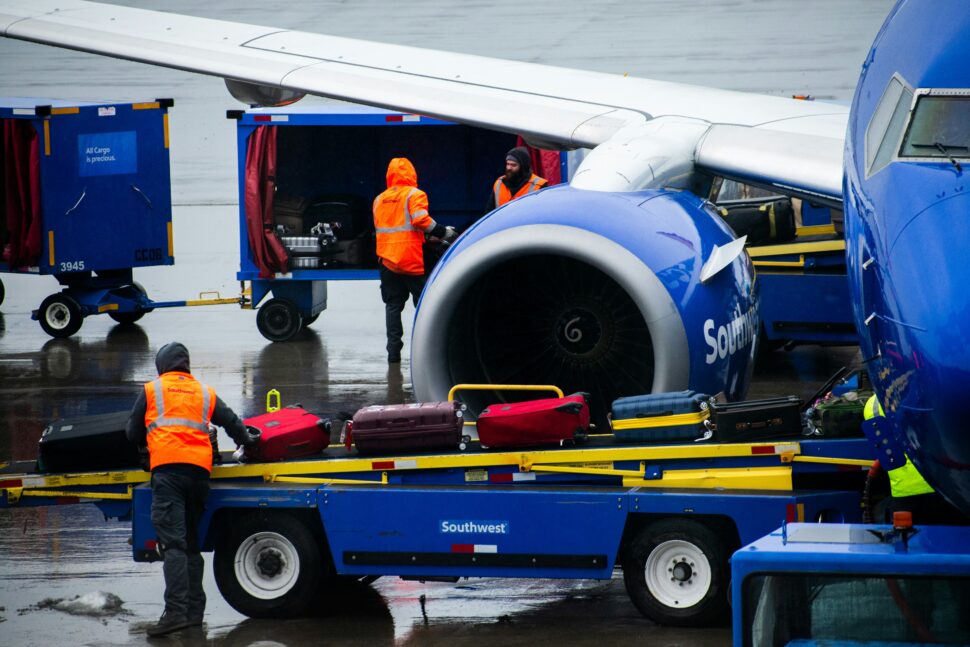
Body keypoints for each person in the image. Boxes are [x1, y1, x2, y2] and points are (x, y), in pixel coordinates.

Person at [126, 342, 257, 637]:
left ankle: (175, 614)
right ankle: (194, 614)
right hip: (199, 474)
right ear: (185, 364)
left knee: (173, 544)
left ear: (161, 364)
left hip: (168, 472)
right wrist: (248, 440)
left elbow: (132, 433)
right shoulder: (203, 391)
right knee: (190, 544)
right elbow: (232, 422)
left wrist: (147, 440)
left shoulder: (152, 390)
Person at [373, 157, 455, 363]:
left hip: (387, 261)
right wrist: (445, 233)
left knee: (393, 306)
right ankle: (426, 350)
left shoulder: (379, 199)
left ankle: (393, 353)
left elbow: (391, 229)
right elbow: (420, 220)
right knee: (425, 305)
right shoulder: (415, 194)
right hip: (411, 259)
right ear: (411, 174)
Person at [864, 394, 967, 525]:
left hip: (904, 496)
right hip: (949, 490)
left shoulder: (872, 405)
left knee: (911, 542)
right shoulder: (929, 391)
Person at [485, 146, 548, 212]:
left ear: (523, 167)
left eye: (513, 165)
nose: (509, 168)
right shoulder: (499, 183)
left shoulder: (539, 185)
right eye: (508, 164)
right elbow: (489, 212)